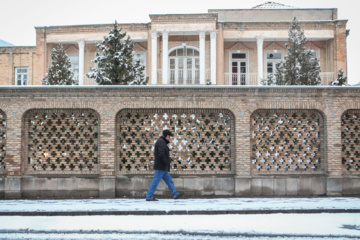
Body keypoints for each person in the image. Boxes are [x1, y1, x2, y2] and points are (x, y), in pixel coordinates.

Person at [146, 129, 184, 201]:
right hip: (161, 166)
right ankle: (149, 196)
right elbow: (161, 155)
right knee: (155, 182)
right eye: (169, 136)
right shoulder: (161, 142)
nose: (170, 138)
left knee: (169, 180)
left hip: (163, 167)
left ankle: (175, 194)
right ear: (167, 136)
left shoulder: (162, 142)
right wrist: (166, 162)